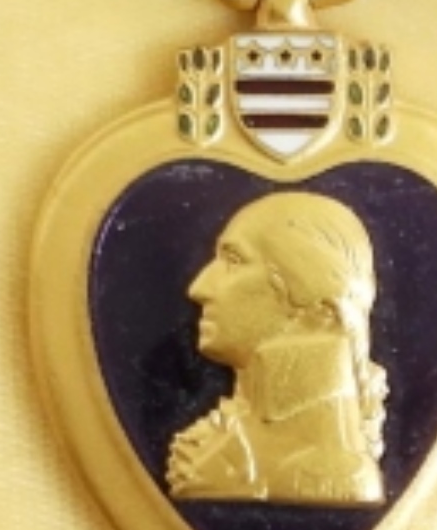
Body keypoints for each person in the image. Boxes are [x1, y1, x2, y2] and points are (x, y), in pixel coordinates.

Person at [166, 193, 388, 505]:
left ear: (317, 304)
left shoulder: (334, 475)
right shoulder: (218, 448)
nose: (199, 288)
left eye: (234, 260)